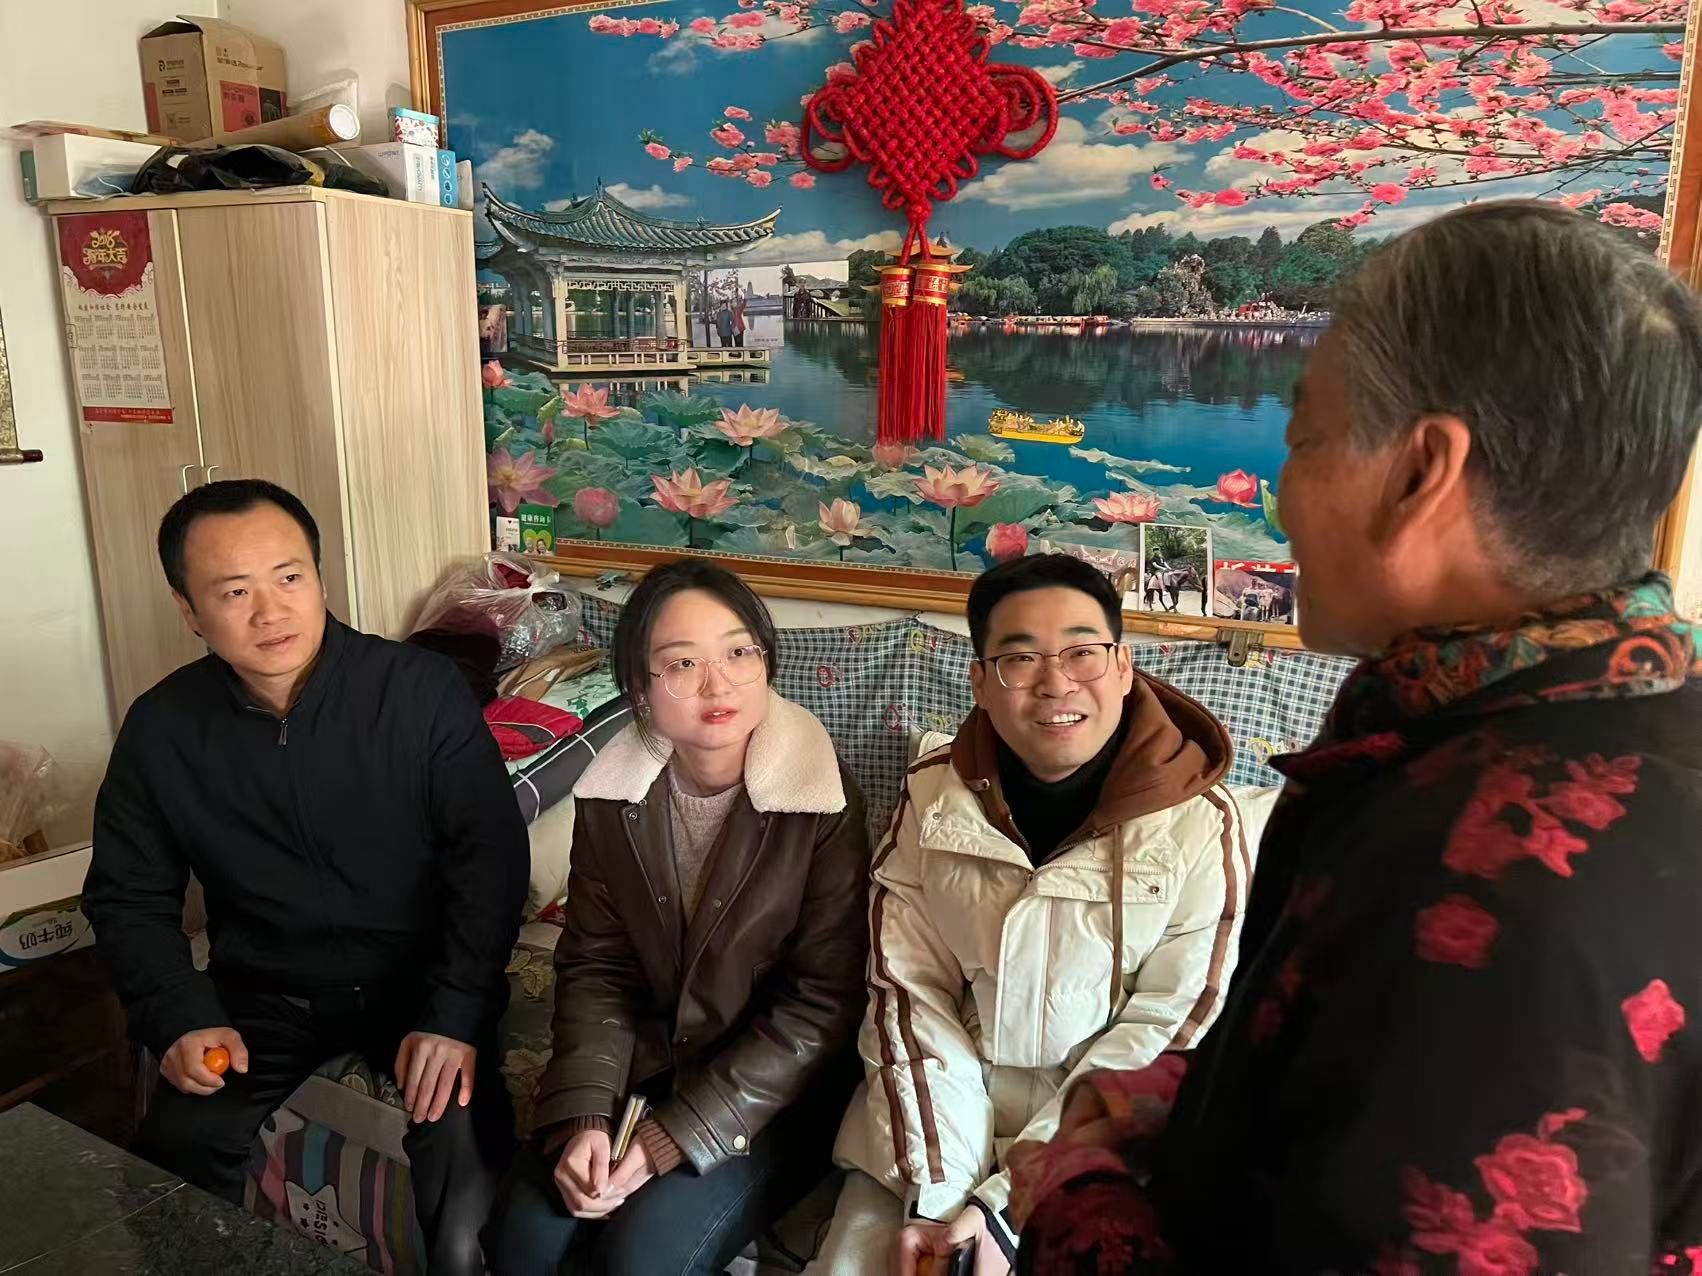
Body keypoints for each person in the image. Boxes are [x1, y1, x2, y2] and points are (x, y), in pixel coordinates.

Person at [1010, 201, 1702, 1272]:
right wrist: (1201, 1099)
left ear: (1421, 473)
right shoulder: (1601, 728)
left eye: (1300, 440)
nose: (1283, 501)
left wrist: (1073, 1198)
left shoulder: (1499, 886)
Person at [82, 479, 527, 1276]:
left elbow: (489, 859)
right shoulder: (163, 728)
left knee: (467, 1201)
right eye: (234, 592)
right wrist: (178, 1015)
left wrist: (456, 1011)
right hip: (266, 995)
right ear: (189, 610)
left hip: (420, 984)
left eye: (289, 577)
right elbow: (128, 894)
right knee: (169, 1169)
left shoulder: (418, 692)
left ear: (320, 577)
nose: (271, 611)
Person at [811, 553, 1254, 1276]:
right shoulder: (932, 795)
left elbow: (1168, 1029)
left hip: (1104, 1155)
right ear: (981, 682)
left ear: (1122, 666)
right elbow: (909, 994)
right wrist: (943, 1202)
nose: (1056, 683)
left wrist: (1006, 1207)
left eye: (1082, 652)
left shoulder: (1201, 822)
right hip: (929, 1134)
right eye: (1020, 659)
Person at [488, 560, 870, 1276]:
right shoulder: (612, 795)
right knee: (526, 1237)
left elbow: (822, 1003)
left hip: (772, 1097)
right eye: (682, 663)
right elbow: (597, 965)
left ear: (766, 661)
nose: (717, 685)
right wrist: (585, 1114)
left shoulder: (821, 799)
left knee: (641, 1257)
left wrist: (674, 1136)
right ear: (639, 687)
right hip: (649, 1065)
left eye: (738, 652)